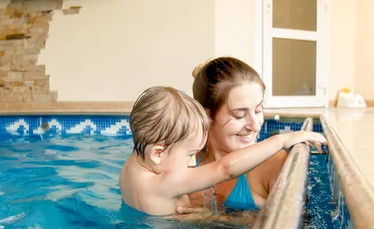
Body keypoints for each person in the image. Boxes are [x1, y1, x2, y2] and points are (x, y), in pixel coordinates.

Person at [119, 86, 326, 216]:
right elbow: (224, 168)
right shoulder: (165, 184)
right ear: (158, 153)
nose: (193, 162)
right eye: (190, 154)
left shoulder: (131, 167)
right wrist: (281, 140)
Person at [179, 56, 320, 212]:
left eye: (258, 110)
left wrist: (214, 220)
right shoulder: (184, 160)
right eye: (239, 115)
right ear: (207, 116)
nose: (255, 125)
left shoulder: (273, 164)